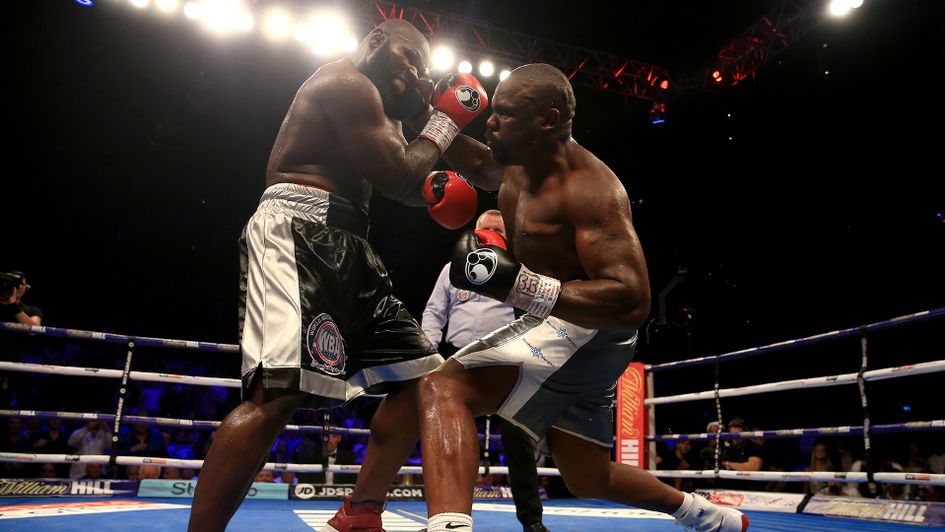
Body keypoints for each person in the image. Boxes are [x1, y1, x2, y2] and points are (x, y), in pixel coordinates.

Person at [414, 63, 749, 532]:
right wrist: (423, 115)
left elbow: (632, 300)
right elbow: (478, 164)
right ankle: (710, 517)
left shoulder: (591, 191)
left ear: (547, 120)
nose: (490, 122)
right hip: (574, 334)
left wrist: (518, 285)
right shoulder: (519, 161)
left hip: (589, 331)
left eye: (505, 114)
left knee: (443, 387)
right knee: (587, 475)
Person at [187, 18, 488, 532]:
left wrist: (438, 190)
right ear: (374, 41)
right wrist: (443, 121)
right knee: (276, 396)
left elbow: (405, 180)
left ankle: (360, 512)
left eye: (420, 65)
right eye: (406, 55)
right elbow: (397, 173)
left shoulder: (383, 111)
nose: (412, 71)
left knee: (427, 381)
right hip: (298, 229)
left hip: (352, 243)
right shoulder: (344, 83)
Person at [421, 209, 549, 532]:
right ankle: (446, 517)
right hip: (457, 359)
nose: (492, 234)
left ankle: (531, 520)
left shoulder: (520, 272)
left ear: (507, 238)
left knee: (518, 436)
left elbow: (537, 315)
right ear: (475, 235)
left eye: (498, 230)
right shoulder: (452, 269)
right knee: (445, 434)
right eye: (486, 229)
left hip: (504, 359)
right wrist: (429, 354)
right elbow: (435, 313)